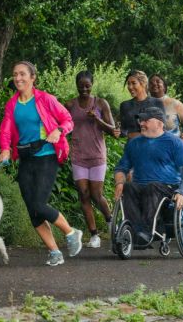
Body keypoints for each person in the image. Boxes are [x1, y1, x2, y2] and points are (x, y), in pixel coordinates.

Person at [0, 61, 82, 266]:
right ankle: (54, 252)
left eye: (22, 74)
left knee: (39, 203)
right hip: (26, 158)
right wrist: (5, 148)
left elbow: (68, 120)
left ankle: (71, 232)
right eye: (15, 74)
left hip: (46, 155)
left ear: (32, 77)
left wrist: (59, 130)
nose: (18, 78)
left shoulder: (46, 99)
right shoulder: (12, 104)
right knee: (32, 209)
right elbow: (6, 130)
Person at [113, 107, 183, 246]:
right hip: (141, 186)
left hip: (168, 187)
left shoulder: (175, 143)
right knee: (128, 187)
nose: (141, 123)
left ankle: (146, 231)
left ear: (160, 123)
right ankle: (135, 232)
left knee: (152, 186)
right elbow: (122, 168)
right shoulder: (134, 143)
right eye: (140, 120)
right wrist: (119, 183)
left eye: (146, 120)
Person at [65, 71, 115, 249]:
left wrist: (97, 119)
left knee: (96, 194)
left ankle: (111, 222)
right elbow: (59, 122)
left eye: (87, 85)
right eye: (81, 85)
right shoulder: (70, 104)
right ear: (76, 85)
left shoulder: (100, 103)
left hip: (97, 156)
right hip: (78, 155)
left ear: (92, 85)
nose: (84, 89)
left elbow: (113, 130)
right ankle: (94, 236)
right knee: (84, 194)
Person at [114, 70, 164, 140]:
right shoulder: (124, 105)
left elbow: (162, 130)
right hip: (132, 148)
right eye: (128, 84)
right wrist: (118, 132)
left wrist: (131, 134)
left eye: (134, 83)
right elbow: (123, 131)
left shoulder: (157, 103)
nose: (130, 87)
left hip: (152, 147)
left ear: (143, 83)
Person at [149, 74, 183, 141]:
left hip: (173, 146)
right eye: (151, 83)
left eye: (158, 81)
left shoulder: (175, 104)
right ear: (148, 87)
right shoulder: (143, 104)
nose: (154, 84)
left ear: (164, 86)